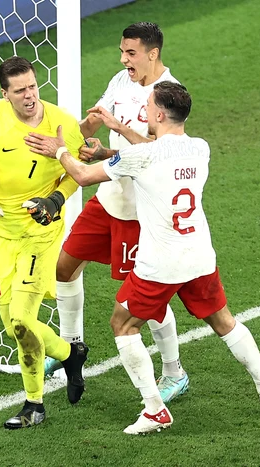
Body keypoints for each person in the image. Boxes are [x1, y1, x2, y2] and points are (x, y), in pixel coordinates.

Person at [26, 82, 260, 434]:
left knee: (123, 324)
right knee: (225, 322)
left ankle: (154, 409)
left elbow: (83, 175)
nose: (145, 112)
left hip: (161, 263)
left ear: (160, 114)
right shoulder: (199, 148)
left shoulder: (143, 155)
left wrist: (60, 151)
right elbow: (156, 153)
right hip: (199, 257)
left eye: (148, 107)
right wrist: (114, 143)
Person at [42, 22, 191, 404]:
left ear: (152, 53)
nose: (124, 60)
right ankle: (70, 347)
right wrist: (75, 139)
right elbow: (94, 121)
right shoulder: (120, 82)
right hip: (109, 196)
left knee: (144, 303)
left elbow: (158, 151)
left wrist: (115, 135)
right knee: (64, 266)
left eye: (131, 53)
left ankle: (174, 371)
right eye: (122, 52)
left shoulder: (167, 96)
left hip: (140, 213)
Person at [0, 56, 89, 430]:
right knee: (14, 327)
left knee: (23, 321)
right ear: (5, 93)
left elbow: (78, 173)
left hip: (40, 233)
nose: (29, 96)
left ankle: (35, 404)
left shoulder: (62, 124)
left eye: (32, 86)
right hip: (0, 232)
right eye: (20, 90)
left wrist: (56, 200)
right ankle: (69, 353)